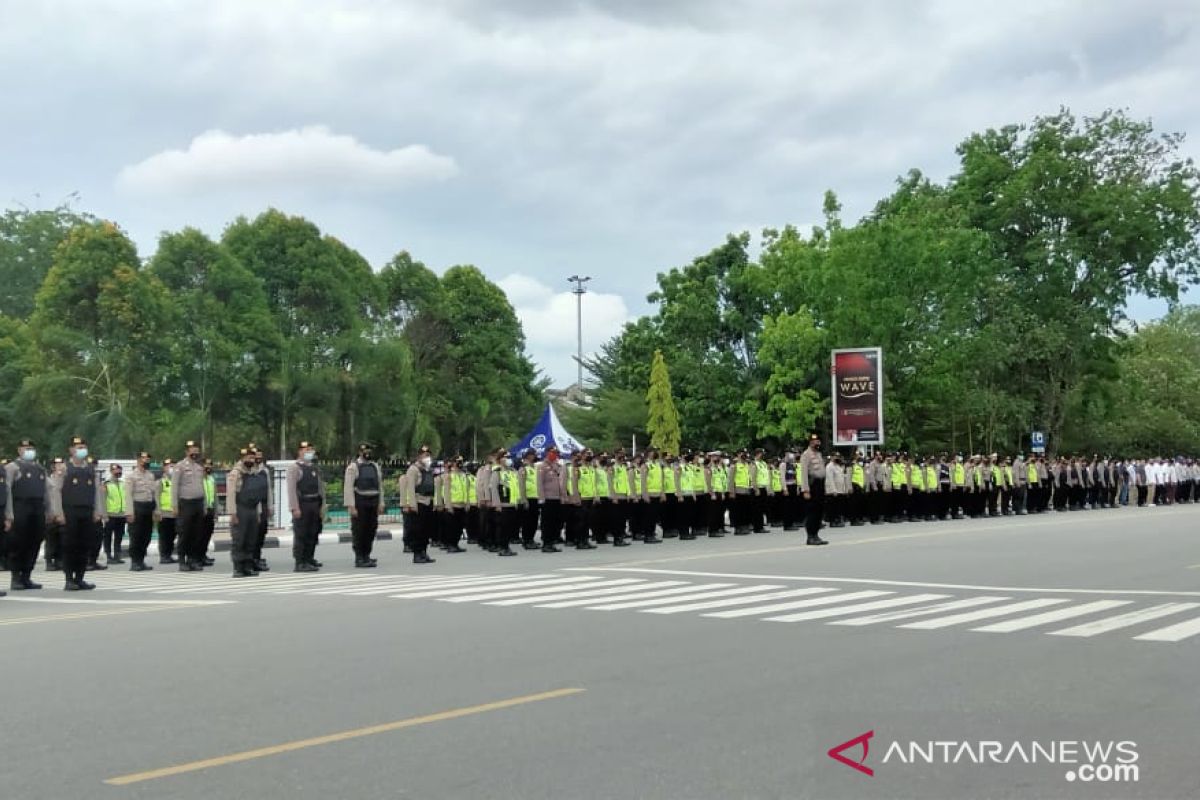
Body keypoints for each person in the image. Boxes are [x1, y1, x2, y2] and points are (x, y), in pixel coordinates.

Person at [51, 436, 103, 591]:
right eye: (77, 447)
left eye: (83, 447)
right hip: (70, 511)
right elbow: (56, 491)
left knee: (84, 546)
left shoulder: (90, 469)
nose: (81, 450)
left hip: (86, 511)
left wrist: (97, 511)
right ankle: (69, 579)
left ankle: (80, 578)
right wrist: (59, 513)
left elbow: (96, 492)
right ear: (71, 450)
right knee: (69, 546)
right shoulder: (64, 468)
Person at [5, 439, 51, 591]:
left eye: (31, 448)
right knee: (19, 543)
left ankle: (27, 576)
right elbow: (7, 491)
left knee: (34, 542)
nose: (29, 451)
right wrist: (9, 514)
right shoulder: (12, 468)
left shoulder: (40, 468)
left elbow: (47, 492)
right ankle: (16, 577)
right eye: (26, 448)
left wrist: (49, 511)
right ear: (19, 450)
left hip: (37, 508)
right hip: (20, 508)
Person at [226, 447, 271, 577]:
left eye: (252, 458)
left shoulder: (253, 473)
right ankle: (238, 567)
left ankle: (248, 566)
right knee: (240, 539)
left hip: (252, 509)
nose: (251, 460)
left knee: (251, 539)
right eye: (248, 458)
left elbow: (255, 495)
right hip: (240, 509)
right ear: (242, 458)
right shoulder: (236, 473)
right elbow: (230, 494)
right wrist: (232, 513)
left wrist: (258, 512)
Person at [170, 440, 208, 572]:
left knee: (196, 533)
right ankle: (182, 560)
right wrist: (174, 505)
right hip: (186, 504)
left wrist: (204, 505)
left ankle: (193, 559)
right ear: (187, 452)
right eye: (192, 451)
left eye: (197, 451)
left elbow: (202, 487)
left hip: (198, 503)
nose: (195, 453)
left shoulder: (199, 467)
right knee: (185, 533)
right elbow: (174, 487)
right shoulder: (180, 466)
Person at [344, 443, 384, 567]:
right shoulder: (353, 467)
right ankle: (359, 557)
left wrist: (381, 503)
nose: (367, 453)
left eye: (369, 450)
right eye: (365, 451)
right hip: (360, 502)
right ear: (360, 452)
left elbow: (380, 486)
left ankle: (367, 555)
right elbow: (348, 487)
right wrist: (351, 506)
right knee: (359, 530)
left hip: (373, 501)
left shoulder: (375, 466)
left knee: (371, 529)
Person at [287, 441, 325, 572]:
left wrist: (322, 507)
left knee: (313, 532)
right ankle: (300, 561)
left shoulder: (313, 468)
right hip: (302, 504)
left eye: (310, 449)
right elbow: (291, 489)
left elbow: (320, 489)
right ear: (299, 451)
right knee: (301, 534)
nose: (308, 452)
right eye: (305, 449)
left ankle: (309, 558)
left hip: (314, 503)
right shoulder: (295, 468)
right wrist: (294, 508)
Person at [402, 445, 437, 564]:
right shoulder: (413, 469)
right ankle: (417, 554)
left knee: (427, 529)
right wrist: (412, 504)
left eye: (428, 455)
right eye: (424, 455)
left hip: (428, 501)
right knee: (417, 530)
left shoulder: (428, 470)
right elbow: (410, 488)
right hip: (419, 502)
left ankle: (424, 552)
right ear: (419, 456)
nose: (427, 457)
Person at [799, 434, 829, 546]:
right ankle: (810, 536)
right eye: (815, 441)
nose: (817, 443)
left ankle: (816, 535)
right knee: (812, 512)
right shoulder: (806, 455)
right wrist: (805, 490)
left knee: (819, 511)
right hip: (812, 485)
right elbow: (804, 474)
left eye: (818, 441)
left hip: (820, 485)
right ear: (810, 442)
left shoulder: (819, 454)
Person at [438, 456, 469, 554]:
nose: (460, 463)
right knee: (451, 527)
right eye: (458, 461)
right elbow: (446, 492)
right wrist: (448, 505)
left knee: (459, 528)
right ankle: (450, 545)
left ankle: (455, 544)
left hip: (462, 505)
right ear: (453, 463)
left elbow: (466, 491)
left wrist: (467, 502)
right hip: (452, 505)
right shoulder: (448, 476)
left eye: (461, 461)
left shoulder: (464, 475)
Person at [101, 463, 127, 566]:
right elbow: (103, 500)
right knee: (107, 536)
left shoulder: (122, 483)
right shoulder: (106, 484)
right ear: (111, 471)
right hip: (110, 514)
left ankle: (117, 555)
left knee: (119, 536)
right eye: (116, 471)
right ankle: (108, 556)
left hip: (121, 514)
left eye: (119, 471)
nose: (118, 473)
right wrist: (104, 514)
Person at [517, 449, 541, 550]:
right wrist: (524, 498)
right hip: (528, 498)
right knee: (528, 521)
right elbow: (521, 485)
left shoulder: (535, 468)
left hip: (535, 497)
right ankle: (527, 541)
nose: (535, 456)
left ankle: (531, 539)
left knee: (534, 521)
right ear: (529, 456)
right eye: (533, 455)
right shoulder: (523, 469)